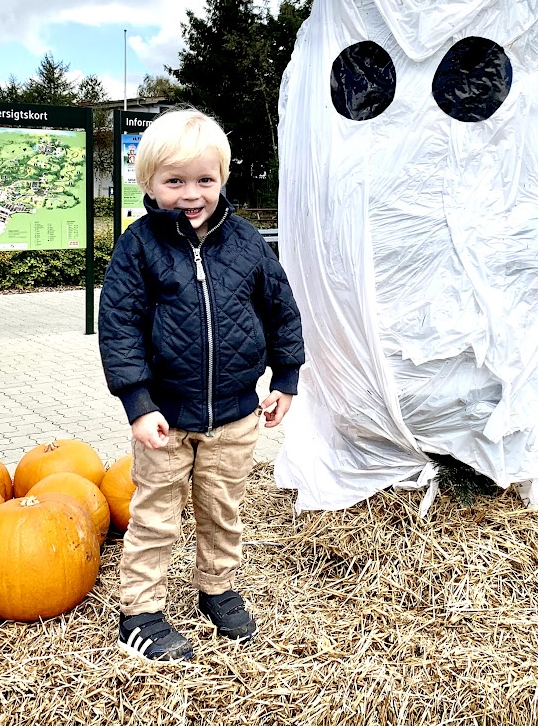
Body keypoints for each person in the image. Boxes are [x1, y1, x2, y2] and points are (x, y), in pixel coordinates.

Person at [98, 108, 305, 662]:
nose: (191, 194)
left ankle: (217, 588)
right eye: (175, 181)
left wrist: (285, 377)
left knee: (222, 510)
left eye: (204, 180)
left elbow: (281, 310)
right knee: (156, 517)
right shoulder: (139, 246)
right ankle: (140, 612)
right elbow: (119, 327)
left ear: (222, 179)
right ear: (149, 183)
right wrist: (138, 403)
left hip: (235, 416)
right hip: (165, 420)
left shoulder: (246, 242)